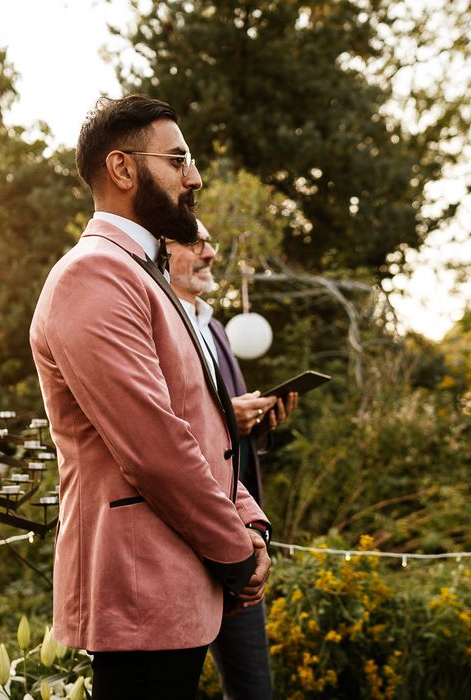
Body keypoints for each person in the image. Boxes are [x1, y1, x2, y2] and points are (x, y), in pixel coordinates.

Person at [30, 95, 273, 700]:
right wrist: (236, 553)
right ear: (122, 169)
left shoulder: (145, 274)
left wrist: (252, 522)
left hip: (177, 586)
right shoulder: (93, 274)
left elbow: (203, 425)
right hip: (139, 592)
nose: (194, 178)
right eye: (178, 159)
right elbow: (156, 447)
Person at [166, 220, 298, 700]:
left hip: (241, 539)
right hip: (183, 542)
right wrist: (228, 416)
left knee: (252, 689)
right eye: (195, 243)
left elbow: (226, 436)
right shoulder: (160, 323)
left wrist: (258, 425)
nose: (209, 253)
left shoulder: (216, 329)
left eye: (210, 243)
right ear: (163, 249)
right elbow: (162, 433)